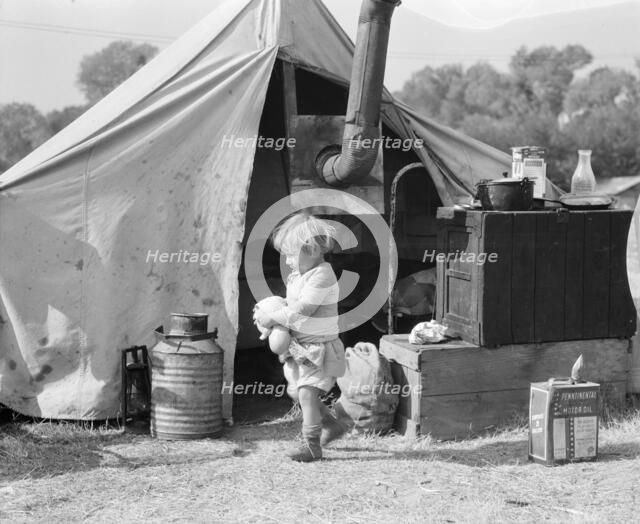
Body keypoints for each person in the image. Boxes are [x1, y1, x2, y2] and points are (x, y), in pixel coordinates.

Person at [252, 212, 347, 462]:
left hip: (319, 347)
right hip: (299, 347)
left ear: (314, 250)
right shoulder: (296, 277)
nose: (288, 260)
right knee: (296, 392)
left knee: (306, 393)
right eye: (286, 254)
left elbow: (305, 308)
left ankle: (312, 446)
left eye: (293, 254)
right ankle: (332, 424)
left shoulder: (323, 275)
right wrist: (271, 310)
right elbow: (292, 304)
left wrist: (274, 318)